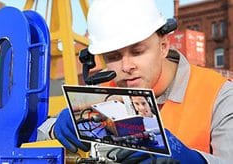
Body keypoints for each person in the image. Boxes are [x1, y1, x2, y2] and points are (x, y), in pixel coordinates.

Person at [37, 0, 233, 163]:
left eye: (137, 52)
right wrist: (57, 127)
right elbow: (35, 134)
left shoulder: (219, 95)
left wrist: (189, 159)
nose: (126, 66)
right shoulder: (103, 92)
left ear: (163, 46)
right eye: (113, 56)